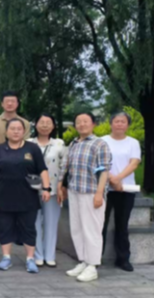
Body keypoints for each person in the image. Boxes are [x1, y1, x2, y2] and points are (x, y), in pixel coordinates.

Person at [0, 119, 51, 273]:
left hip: (27, 196)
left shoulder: (32, 149)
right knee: (4, 227)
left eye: (19, 129)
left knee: (28, 228)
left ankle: (30, 259)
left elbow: (42, 169)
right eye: (12, 128)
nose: (16, 131)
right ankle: (6, 257)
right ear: (6, 131)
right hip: (3, 196)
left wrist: (46, 188)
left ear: (24, 131)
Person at [58, 112, 111, 282]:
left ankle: (93, 266)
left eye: (85, 121)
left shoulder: (99, 144)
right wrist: (61, 186)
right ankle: (83, 261)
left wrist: (99, 193)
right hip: (75, 191)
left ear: (93, 124)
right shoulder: (74, 143)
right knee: (77, 228)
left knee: (92, 230)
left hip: (91, 192)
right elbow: (66, 167)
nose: (82, 124)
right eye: (78, 122)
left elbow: (104, 170)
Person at [102, 111, 141, 272]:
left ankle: (123, 259)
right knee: (100, 225)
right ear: (111, 123)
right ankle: (95, 258)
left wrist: (118, 179)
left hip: (126, 189)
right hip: (104, 189)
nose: (119, 124)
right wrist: (111, 179)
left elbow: (134, 163)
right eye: (116, 121)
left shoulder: (133, 143)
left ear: (127, 125)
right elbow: (99, 162)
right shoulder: (102, 141)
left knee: (122, 225)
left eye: (123, 121)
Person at [28, 113, 66, 267]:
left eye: (48, 122)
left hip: (53, 189)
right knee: (34, 223)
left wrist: (62, 186)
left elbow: (64, 166)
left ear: (53, 126)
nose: (44, 125)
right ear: (35, 125)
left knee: (51, 223)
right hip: (31, 189)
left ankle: (50, 255)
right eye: (41, 122)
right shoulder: (28, 143)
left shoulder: (59, 144)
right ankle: (37, 255)